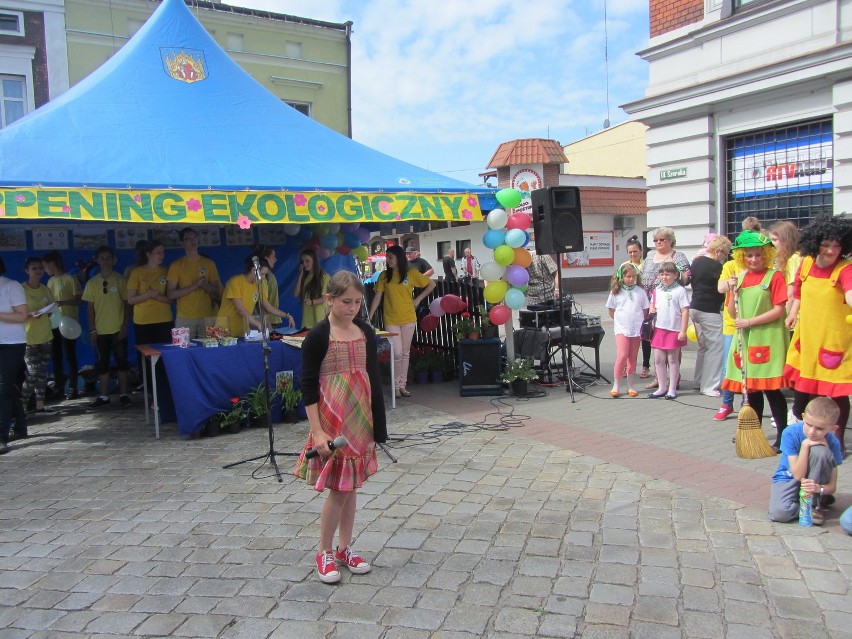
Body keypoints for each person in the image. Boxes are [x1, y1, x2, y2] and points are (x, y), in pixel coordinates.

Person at [294, 270, 387, 584]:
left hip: (360, 418)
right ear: (330, 299)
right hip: (333, 419)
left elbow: (373, 377)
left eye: (358, 302)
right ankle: (324, 550)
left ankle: (345, 548)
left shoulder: (364, 331)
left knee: (352, 486)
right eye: (346, 301)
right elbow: (307, 386)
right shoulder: (319, 335)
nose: (353, 308)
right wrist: (318, 431)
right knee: (339, 489)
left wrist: (378, 427)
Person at [784, 215, 851, 456]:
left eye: (837, 244)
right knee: (813, 390)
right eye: (826, 244)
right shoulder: (806, 263)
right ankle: (816, 435)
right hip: (809, 337)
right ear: (816, 242)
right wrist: (793, 312)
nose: (832, 250)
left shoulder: (846, 268)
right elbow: (799, 294)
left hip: (834, 341)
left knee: (838, 393)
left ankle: (837, 440)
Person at [720, 230, 789, 449]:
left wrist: (750, 322)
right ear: (742, 257)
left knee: (771, 390)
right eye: (749, 255)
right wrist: (732, 291)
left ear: (765, 255)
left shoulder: (774, 277)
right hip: (746, 341)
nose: (753, 259)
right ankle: (754, 433)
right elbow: (732, 312)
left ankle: (783, 435)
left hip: (767, 339)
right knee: (753, 390)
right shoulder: (739, 279)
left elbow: (779, 310)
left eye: (758, 255)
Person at [368, 244, 435, 399]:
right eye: (387, 257)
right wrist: (370, 315)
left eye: (390, 257)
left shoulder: (411, 273)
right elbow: (378, 297)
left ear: (399, 258)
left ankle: (401, 386)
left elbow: (431, 284)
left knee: (405, 353)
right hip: (391, 318)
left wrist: (418, 299)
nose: (388, 260)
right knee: (397, 353)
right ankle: (395, 386)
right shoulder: (384, 276)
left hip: (408, 318)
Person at [768, 397, 842, 526]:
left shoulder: (833, 442)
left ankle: (813, 504)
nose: (812, 432)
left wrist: (820, 488)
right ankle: (810, 502)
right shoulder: (790, 433)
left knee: (822, 451)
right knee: (779, 513)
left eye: (819, 428)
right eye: (809, 424)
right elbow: (798, 475)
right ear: (803, 417)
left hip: (815, 481)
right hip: (788, 478)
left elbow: (832, 486)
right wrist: (805, 445)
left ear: (833, 428)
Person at [639, 227, 691, 383]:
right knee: (657, 343)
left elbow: (687, 279)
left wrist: (674, 265)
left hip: (671, 306)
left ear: (670, 241)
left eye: (662, 239)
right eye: (656, 240)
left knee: (672, 344)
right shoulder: (649, 256)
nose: (658, 242)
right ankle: (659, 378)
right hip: (652, 304)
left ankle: (674, 377)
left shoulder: (678, 256)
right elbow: (642, 277)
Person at [82, 245, 131, 408]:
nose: (105, 261)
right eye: (101, 258)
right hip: (100, 331)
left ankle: (124, 394)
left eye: (108, 258)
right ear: (96, 260)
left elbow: (127, 305)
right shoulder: (92, 283)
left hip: (118, 329)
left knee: (122, 363)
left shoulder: (120, 280)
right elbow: (90, 308)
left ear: (113, 259)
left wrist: (125, 326)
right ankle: (103, 396)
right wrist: (92, 329)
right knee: (103, 365)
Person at [690, 235, 732, 397]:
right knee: (715, 348)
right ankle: (709, 386)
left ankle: (699, 380)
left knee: (703, 347)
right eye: (725, 253)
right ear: (719, 251)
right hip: (709, 310)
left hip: (695, 307)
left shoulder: (697, 262)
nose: (725, 256)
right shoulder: (716, 267)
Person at [217, 256, 295, 336]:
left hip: (242, 331)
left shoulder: (258, 285)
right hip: (224, 330)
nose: (264, 277)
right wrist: (257, 323)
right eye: (262, 274)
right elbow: (240, 309)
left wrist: (287, 316)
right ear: (254, 270)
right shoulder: (235, 282)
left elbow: (268, 307)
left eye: (265, 274)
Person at [166, 227, 222, 338]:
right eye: (188, 238)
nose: (193, 240)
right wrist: (194, 286)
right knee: (182, 351)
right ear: (182, 243)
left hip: (207, 316)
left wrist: (205, 285)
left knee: (208, 351)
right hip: (184, 318)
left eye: (194, 237)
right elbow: (171, 294)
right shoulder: (176, 265)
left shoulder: (209, 263)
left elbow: (217, 291)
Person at [646, 261, 689, 400]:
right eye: (662, 274)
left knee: (672, 359)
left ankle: (672, 388)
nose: (664, 277)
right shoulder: (657, 290)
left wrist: (683, 330)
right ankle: (662, 387)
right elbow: (653, 304)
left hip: (674, 329)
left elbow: (685, 311)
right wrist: (651, 308)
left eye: (668, 274)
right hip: (659, 329)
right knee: (658, 359)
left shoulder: (680, 290)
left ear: (675, 275)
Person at [606, 261, 649, 398]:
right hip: (621, 329)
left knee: (633, 357)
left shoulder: (640, 292)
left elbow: (645, 310)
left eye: (633, 276)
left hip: (636, 330)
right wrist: (620, 321)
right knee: (622, 355)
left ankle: (630, 386)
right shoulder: (616, 292)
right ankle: (616, 385)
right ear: (621, 277)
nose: (631, 279)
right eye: (628, 277)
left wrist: (639, 321)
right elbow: (611, 310)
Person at [20, 257, 56, 416]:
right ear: (27, 271)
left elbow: (53, 306)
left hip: (46, 336)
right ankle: (22, 405)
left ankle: (40, 406)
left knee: (42, 372)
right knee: (33, 373)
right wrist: (30, 314)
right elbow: (15, 313)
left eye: (40, 268)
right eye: (34, 268)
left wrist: (47, 311)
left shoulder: (45, 289)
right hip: (28, 338)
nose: (38, 271)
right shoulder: (21, 290)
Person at [43, 251, 82, 400]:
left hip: (69, 322)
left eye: (46, 266)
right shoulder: (50, 282)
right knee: (56, 355)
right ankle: (59, 387)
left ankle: (73, 387)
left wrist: (63, 303)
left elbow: (80, 300)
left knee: (69, 354)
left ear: (53, 263)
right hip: (54, 322)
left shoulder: (70, 279)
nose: (45, 269)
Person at [0, 256, 28, 454]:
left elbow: (21, 315)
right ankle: (20, 426)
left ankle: (1, 437)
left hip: (12, 343)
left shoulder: (11, 286)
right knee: (8, 388)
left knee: (2, 389)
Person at [127, 240, 173, 346]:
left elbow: (172, 299)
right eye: (158, 252)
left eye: (163, 252)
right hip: (143, 320)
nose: (162, 255)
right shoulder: (137, 272)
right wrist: (147, 295)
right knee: (146, 355)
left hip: (164, 319)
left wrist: (157, 296)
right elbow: (130, 299)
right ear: (148, 254)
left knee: (164, 354)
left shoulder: (166, 271)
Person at [769, 220, 802, 316]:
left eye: (774, 240)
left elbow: (791, 294)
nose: (771, 244)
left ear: (786, 240)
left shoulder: (794, 259)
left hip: (792, 317)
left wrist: (783, 318)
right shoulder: (783, 260)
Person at [293, 248, 330, 329]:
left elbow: (324, 298)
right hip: (307, 320)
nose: (304, 264)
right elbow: (296, 294)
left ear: (314, 261)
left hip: (319, 317)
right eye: (302, 262)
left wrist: (312, 302)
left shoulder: (324, 277)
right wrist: (300, 275)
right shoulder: (304, 277)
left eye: (307, 261)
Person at [253, 244, 283, 327]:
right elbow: (262, 304)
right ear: (266, 258)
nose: (276, 260)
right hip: (266, 321)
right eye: (273, 257)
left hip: (270, 319)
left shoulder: (269, 276)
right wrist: (267, 324)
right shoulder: (262, 277)